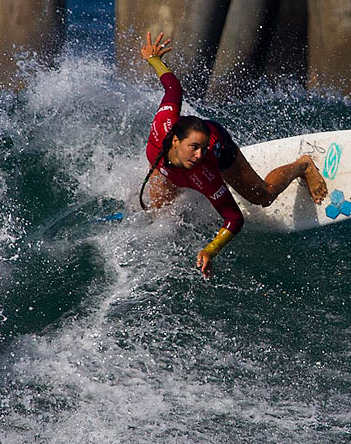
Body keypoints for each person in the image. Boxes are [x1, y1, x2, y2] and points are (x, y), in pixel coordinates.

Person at [139, 32, 328, 278]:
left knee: (263, 196)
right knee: (158, 207)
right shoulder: (164, 123)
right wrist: (154, 58)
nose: (199, 154)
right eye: (194, 148)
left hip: (220, 143)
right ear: (175, 140)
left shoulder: (205, 170)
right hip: (180, 153)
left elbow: (234, 219)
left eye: (202, 149)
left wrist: (210, 250)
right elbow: (173, 87)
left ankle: (303, 165)